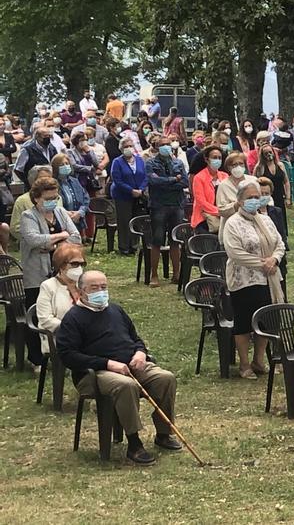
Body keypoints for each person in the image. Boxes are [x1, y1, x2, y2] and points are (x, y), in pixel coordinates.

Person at [56, 270, 181, 464]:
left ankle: (164, 433)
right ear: (81, 292)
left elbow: (135, 338)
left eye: (104, 287)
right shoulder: (73, 318)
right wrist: (107, 364)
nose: (101, 291)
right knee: (125, 385)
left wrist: (141, 352)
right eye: (94, 288)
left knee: (165, 378)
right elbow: (69, 356)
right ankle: (134, 443)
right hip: (95, 374)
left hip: (131, 364)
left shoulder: (116, 310)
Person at [221, 182, 285, 378]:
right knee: (244, 323)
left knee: (265, 321)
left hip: (268, 279)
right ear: (240, 201)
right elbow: (235, 252)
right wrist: (261, 264)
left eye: (257, 197)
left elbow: (280, 243)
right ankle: (244, 364)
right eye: (250, 197)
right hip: (244, 281)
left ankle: (259, 360)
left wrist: (274, 259)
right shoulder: (233, 223)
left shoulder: (265, 220)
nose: (254, 201)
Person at [19, 177, 82, 368]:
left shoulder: (60, 212)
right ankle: (36, 359)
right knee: (38, 313)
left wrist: (53, 242)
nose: (52, 201)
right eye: (48, 197)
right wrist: (61, 237)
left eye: (55, 196)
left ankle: (64, 353)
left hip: (62, 272)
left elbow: (76, 236)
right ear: (37, 198)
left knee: (63, 310)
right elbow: (33, 240)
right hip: (37, 274)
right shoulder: (28, 216)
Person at [144, 138, 187, 286]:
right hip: (158, 205)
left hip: (177, 205)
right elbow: (153, 182)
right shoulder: (150, 163)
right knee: (157, 240)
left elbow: (185, 182)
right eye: (162, 145)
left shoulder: (178, 163)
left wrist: (167, 181)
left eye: (168, 144)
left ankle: (176, 274)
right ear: (156, 147)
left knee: (175, 240)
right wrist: (174, 179)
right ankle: (154, 275)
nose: (166, 147)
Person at [35, 244, 87, 356]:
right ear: (61, 265)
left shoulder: (84, 284)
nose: (79, 268)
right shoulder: (48, 286)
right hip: (59, 336)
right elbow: (45, 319)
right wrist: (72, 328)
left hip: (86, 334)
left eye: (82, 264)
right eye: (74, 264)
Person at [110, 136, 147, 255]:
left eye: (131, 146)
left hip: (139, 195)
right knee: (124, 221)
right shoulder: (117, 162)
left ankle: (134, 245)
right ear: (121, 149)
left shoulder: (140, 160)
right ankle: (124, 247)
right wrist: (131, 190)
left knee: (136, 221)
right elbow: (117, 180)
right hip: (122, 195)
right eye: (126, 147)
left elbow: (145, 176)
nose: (129, 148)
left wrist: (140, 189)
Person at [8, 165, 52, 242]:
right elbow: (15, 228)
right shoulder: (22, 201)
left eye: (49, 178)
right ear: (33, 181)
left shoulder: (57, 198)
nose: (47, 181)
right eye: (42, 178)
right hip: (34, 246)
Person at [189, 146, 228, 234]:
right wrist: (220, 212)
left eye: (219, 158)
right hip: (203, 219)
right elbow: (201, 202)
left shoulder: (225, 176)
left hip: (223, 218)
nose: (217, 160)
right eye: (214, 157)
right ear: (207, 159)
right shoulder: (199, 177)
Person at [216, 151, 258, 231]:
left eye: (241, 164)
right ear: (229, 167)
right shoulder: (223, 185)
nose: (238, 167)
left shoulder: (253, 180)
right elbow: (221, 210)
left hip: (253, 225)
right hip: (232, 228)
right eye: (234, 165)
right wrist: (236, 205)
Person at [51, 153, 89, 230]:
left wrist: (80, 212)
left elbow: (85, 198)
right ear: (55, 167)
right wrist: (67, 214)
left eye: (67, 163)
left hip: (78, 220)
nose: (65, 166)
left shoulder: (75, 181)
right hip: (61, 222)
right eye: (61, 165)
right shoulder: (52, 184)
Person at [254, 143, 291, 209]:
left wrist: (288, 197)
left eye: (270, 152)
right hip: (266, 198)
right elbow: (254, 183)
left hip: (280, 197)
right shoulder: (259, 167)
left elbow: (286, 182)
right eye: (266, 153)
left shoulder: (280, 165)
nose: (268, 154)